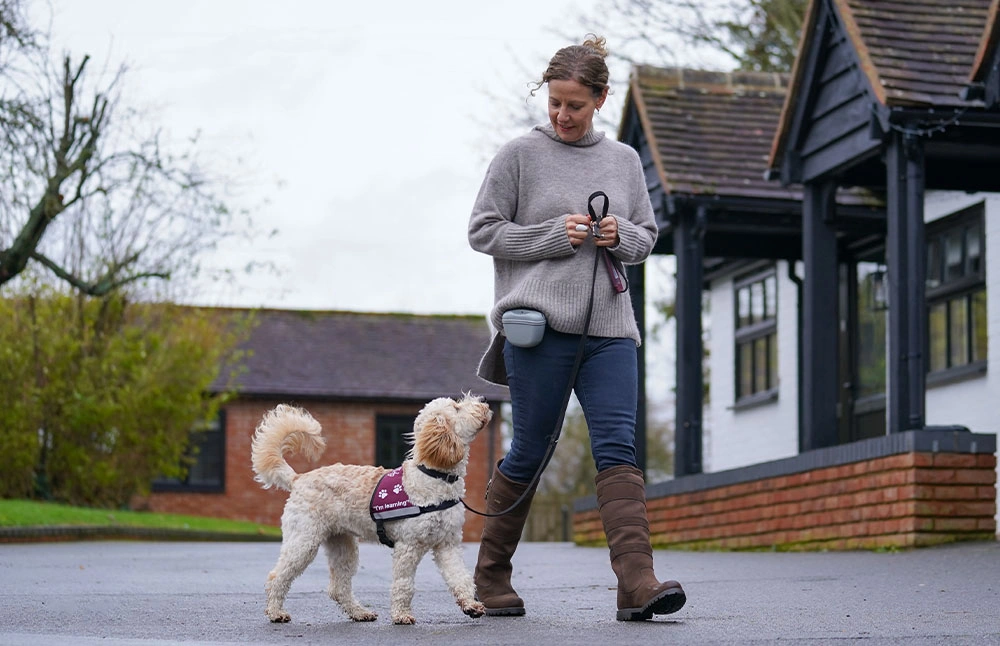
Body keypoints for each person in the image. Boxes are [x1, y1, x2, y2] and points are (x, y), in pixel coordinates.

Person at [467, 35, 686, 622]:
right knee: (533, 448)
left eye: (576, 105)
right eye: (555, 103)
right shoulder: (518, 155)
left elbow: (646, 237)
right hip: (537, 328)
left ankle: (637, 582)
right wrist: (547, 236)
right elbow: (483, 230)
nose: (563, 116)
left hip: (611, 329)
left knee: (618, 446)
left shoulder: (623, 161)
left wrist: (621, 236)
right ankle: (490, 575)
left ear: (601, 100)